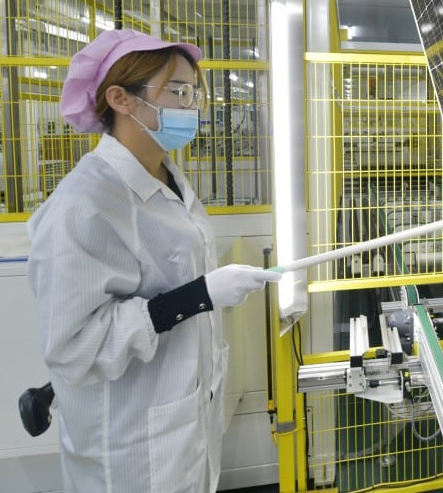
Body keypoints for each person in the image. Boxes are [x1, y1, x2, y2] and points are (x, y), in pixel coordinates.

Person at [27, 28, 282, 492]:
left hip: (183, 420)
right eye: (177, 92)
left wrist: (202, 294)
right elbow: (72, 347)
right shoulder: (83, 206)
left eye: (193, 93)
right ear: (121, 98)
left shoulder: (168, 178)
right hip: (130, 441)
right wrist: (195, 297)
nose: (191, 107)